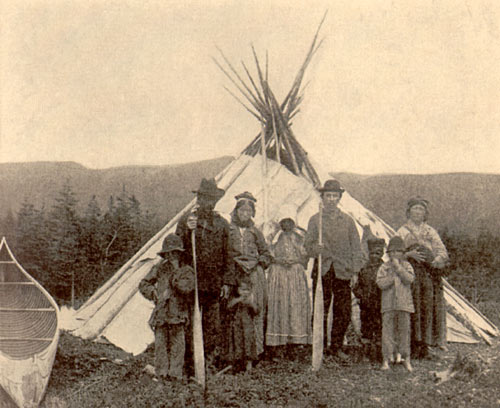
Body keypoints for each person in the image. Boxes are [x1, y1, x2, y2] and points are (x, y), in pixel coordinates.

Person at [175, 178, 233, 371]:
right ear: (198, 199)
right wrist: (186, 232)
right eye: (204, 198)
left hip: (214, 283)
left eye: (211, 199)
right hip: (192, 282)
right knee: (190, 323)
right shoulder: (186, 221)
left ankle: (207, 361)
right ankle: (188, 363)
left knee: (212, 325)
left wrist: (226, 282)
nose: (208, 203)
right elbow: (177, 250)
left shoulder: (222, 224)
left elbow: (228, 254)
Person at [305, 179, 364, 360]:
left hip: (343, 270)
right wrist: (317, 249)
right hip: (323, 270)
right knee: (320, 309)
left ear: (339, 198)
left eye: (334, 196)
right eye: (328, 196)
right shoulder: (315, 220)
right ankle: (320, 347)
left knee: (343, 310)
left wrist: (355, 271)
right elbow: (308, 245)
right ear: (322, 198)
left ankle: (336, 346)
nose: (331, 199)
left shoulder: (347, 221)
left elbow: (356, 248)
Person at [396, 197, 449, 358]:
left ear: (425, 213)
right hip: (410, 275)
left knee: (428, 307)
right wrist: (408, 254)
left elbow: (442, 252)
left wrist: (436, 260)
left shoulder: (430, 232)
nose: (418, 212)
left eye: (421, 209)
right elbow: (394, 254)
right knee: (412, 307)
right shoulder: (402, 231)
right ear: (409, 211)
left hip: (428, 276)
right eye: (415, 209)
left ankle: (426, 344)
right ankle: (412, 344)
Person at [139, 234, 195, 381]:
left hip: (178, 313)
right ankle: (161, 374)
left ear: (180, 253)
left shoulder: (187, 270)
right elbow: (144, 283)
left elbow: (186, 288)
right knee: (160, 345)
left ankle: (175, 375)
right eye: (169, 253)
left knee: (178, 345)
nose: (172, 255)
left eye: (175, 252)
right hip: (161, 313)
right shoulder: (159, 268)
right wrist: (153, 292)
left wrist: (176, 273)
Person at [227, 191, 272, 359]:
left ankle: (256, 351)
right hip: (234, 274)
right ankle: (235, 353)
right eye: (242, 211)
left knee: (255, 310)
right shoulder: (229, 229)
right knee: (234, 311)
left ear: (252, 213)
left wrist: (258, 262)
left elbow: (266, 253)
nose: (245, 214)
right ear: (236, 211)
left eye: (248, 211)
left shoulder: (255, 232)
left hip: (254, 276)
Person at [266, 204, 311, 359]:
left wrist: (296, 260)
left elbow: (306, 255)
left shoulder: (299, 237)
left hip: (295, 274)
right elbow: (268, 252)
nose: (287, 225)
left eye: (290, 222)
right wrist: (278, 259)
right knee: (280, 305)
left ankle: (296, 342)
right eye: (284, 222)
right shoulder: (274, 237)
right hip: (278, 273)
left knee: (295, 305)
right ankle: (279, 343)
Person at [376, 236, 415, 371]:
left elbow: (409, 279)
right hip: (388, 305)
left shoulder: (407, 266)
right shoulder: (384, 267)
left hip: (404, 305)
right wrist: (391, 278)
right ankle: (386, 358)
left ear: (403, 253)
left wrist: (398, 269)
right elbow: (380, 283)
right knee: (387, 332)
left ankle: (406, 358)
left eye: (397, 252)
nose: (394, 254)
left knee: (404, 332)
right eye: (391, 252)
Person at [352, 237, 385, 361]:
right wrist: (361, 295)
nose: (374, 256)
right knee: (366, 327)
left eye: (378, 253)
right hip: (366, 304)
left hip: (381, 303)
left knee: (380, 326)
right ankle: (366, 351)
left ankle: (379, 353)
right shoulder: (363, 268)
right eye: (372, 253)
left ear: (382, 253)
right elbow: (356, 286)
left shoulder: (385, 268)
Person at [226, 275, 259, 373]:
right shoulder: (235, 298)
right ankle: (237, 364)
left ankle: (249, 364)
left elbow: (257, 311)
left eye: (247, 290)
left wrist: (251, 304)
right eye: (242, 289)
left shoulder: (251, 299)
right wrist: (238, 300)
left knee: (248, 342)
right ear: (237, 289)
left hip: (247, 327)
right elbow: (228, 306)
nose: (245, 292)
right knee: (237, 343)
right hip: (236, 326)